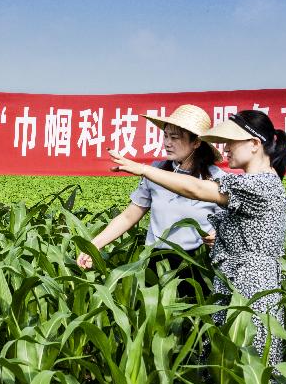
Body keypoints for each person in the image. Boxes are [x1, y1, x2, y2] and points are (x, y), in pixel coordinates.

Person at [109, 110, 286, 384]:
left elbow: (195, 189)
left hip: (251, 290)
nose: (225, 148)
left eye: (232, 141)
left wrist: (143, 169)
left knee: (250, 375)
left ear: (255, 144)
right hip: (233, 283)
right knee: (226, 373)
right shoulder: (254, 183)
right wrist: (219, 237)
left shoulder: (260, 185)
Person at [77, 104, 225, 294]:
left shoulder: (216, 179)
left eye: (175, 138)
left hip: (196, 265)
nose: (167, 143)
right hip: (156, 262)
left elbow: (228, 223)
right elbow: (129, 216)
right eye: (166, 136)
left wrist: (217, 235)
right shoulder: (156, 171)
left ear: (196, 142)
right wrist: (94, 246)